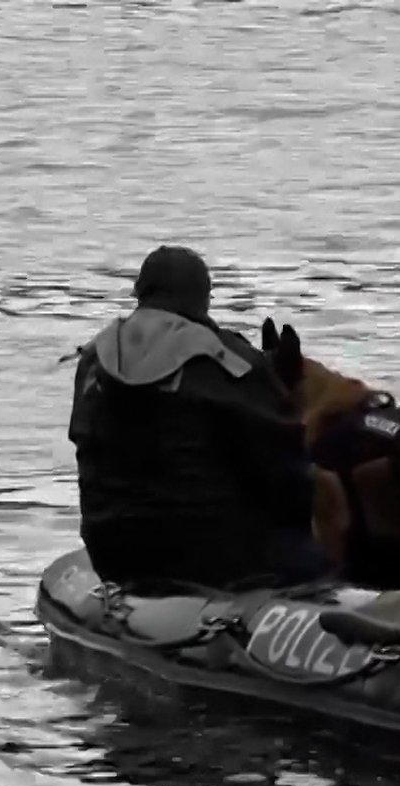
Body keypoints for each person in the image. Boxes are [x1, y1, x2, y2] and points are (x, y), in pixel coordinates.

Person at [67, 245, 331, 593]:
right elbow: (286, 473)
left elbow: (83, 446)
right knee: (322, 564)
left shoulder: (94, 359)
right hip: (212, 557)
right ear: (203, 298)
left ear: (140, 293)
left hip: (111, 552)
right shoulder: (231, 361)